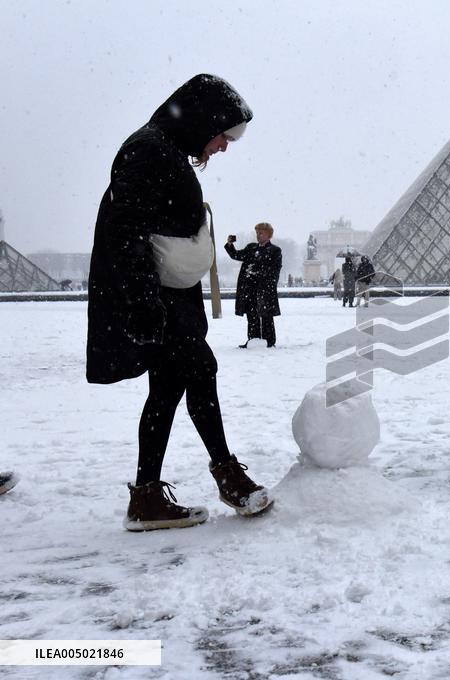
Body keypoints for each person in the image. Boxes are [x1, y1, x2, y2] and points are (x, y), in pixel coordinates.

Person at [86, 74, 272, 531]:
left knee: (168, 388)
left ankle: (148, 496)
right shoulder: (150, 150)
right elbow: (125, 229)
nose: (225, 147)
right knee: (197, 374)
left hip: (168, 295)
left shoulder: (161, 147)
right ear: (203, 119)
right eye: (225, 135)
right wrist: (145, 302)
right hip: (160, 298)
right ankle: (226, 476)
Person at [225, 223, 282, 348]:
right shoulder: (251, 248)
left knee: (266, 316)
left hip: (264, 290)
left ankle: (269, 341)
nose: (258, 235)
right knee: (252, 316)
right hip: (250, 289)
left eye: (261, 233)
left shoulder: (275, 251)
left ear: (268, 235)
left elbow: (274, 270)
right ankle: (252, 340)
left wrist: (257, 272)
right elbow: (236, 255)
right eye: (257, 233)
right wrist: (230, 245)